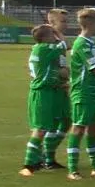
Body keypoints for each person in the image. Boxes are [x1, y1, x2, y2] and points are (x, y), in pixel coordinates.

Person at [64, 7, 95, 179]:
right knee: (78, 128)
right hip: (83, 93)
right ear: (91, 24)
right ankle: (72, 169)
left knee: (93, 129)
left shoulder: (93, 43)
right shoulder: (81, 44)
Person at [20, 23, 68, 177]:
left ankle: (45, 159)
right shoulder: (44, 49)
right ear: (45, 37)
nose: (54, 36)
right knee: (40, 130)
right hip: (42, 93)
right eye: (51, 34)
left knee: (53, 125)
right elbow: (64, 44)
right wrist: (56, 30)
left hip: (51, 91)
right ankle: (28, 164)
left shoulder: (41, 49)